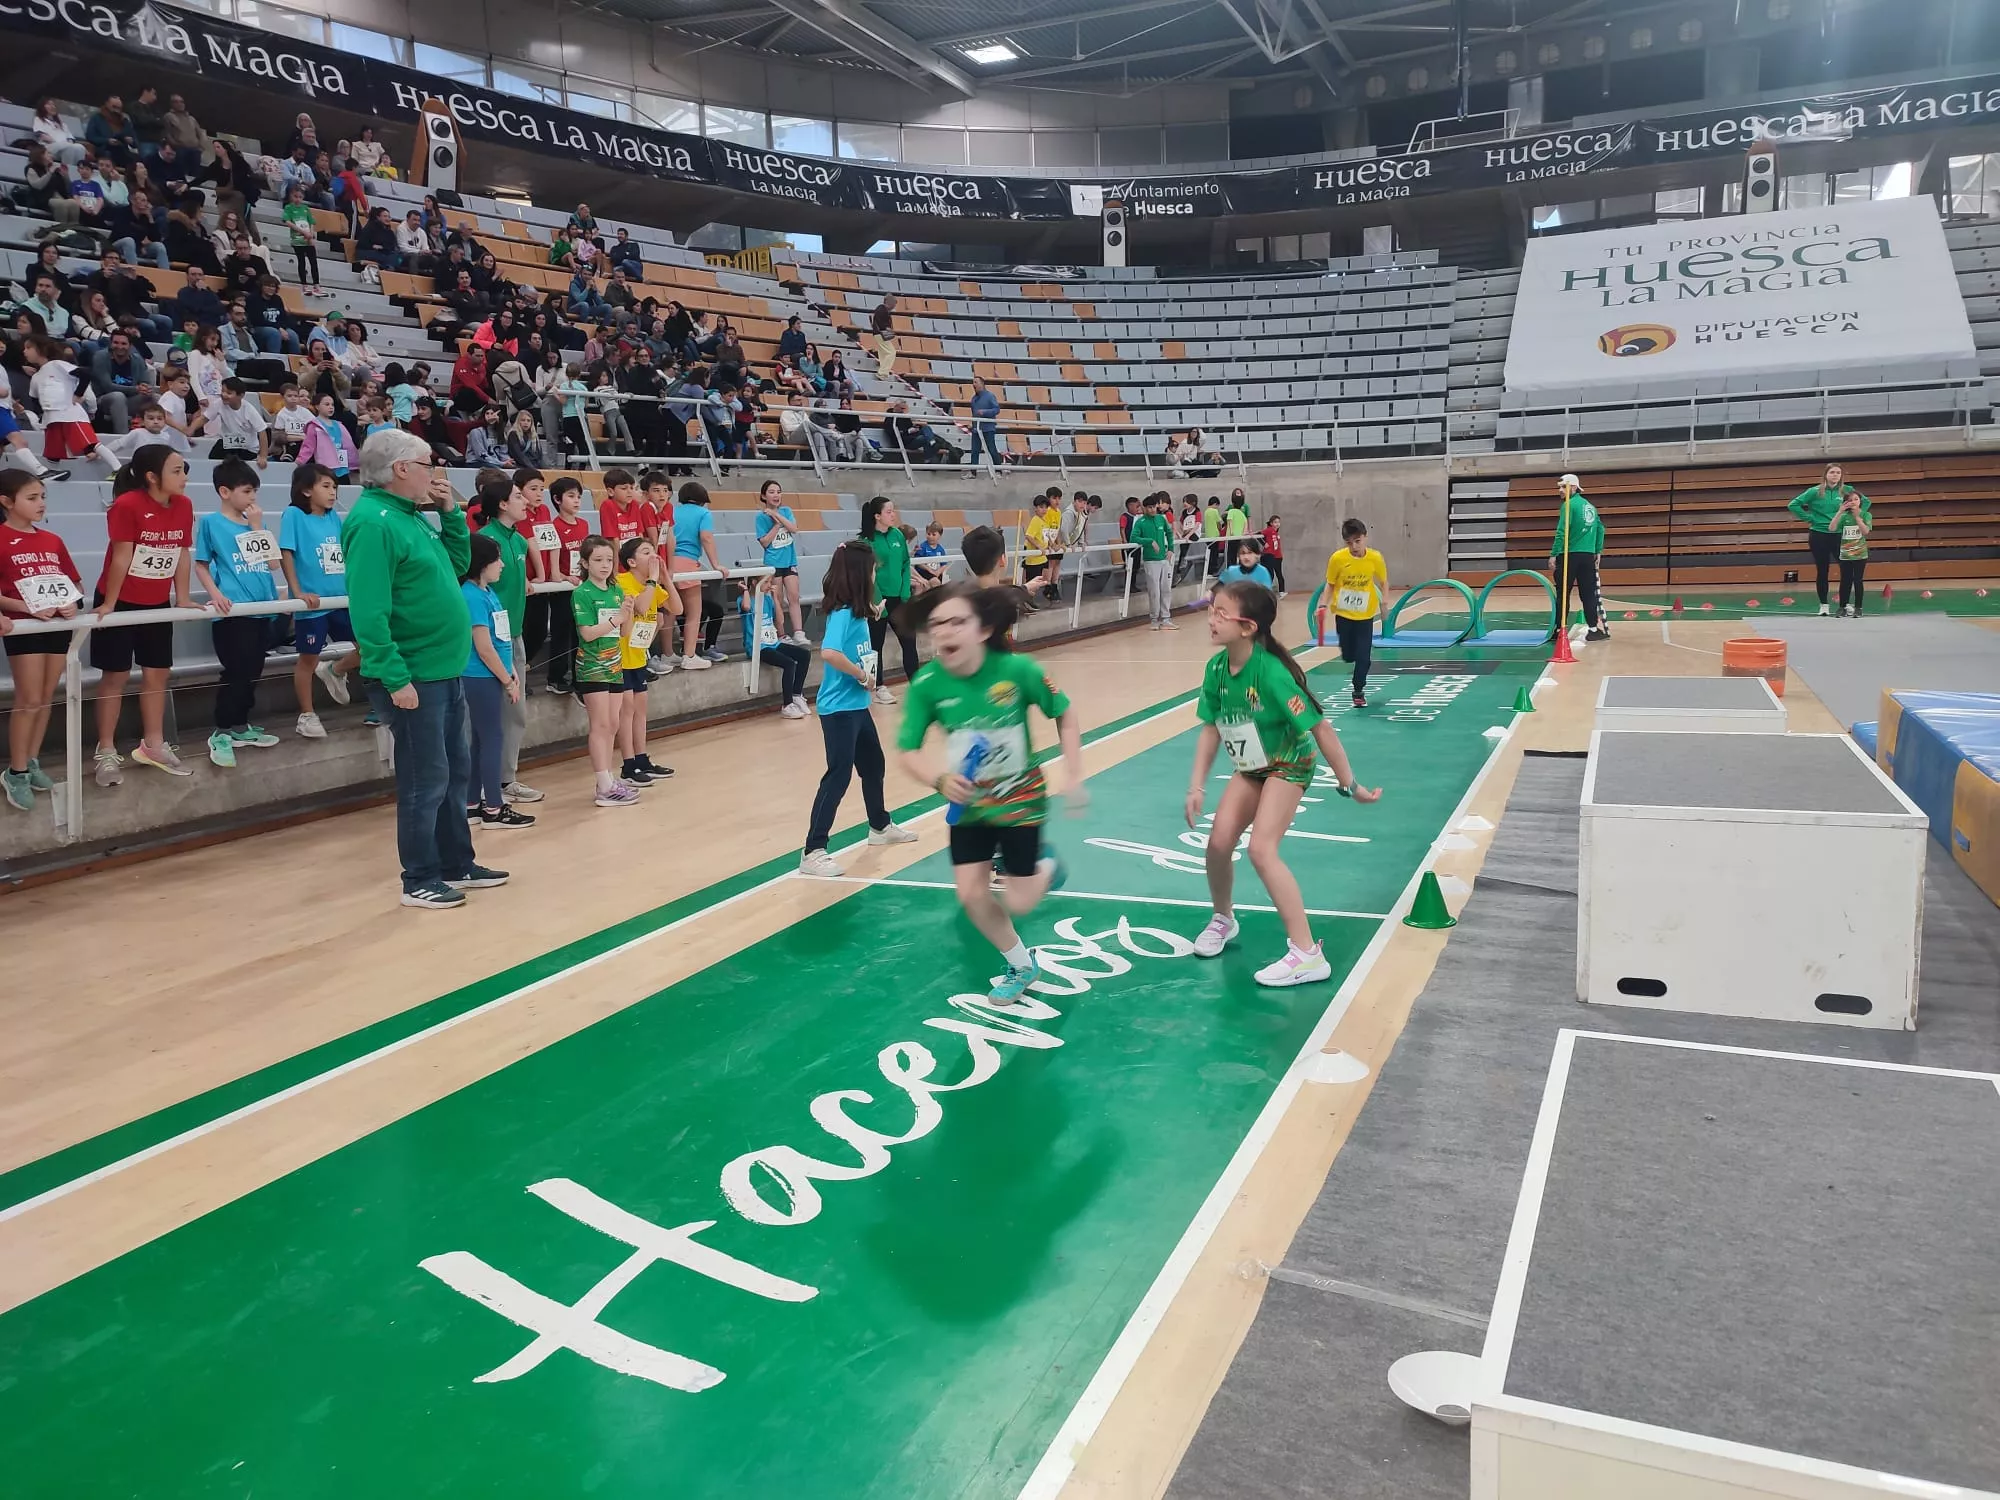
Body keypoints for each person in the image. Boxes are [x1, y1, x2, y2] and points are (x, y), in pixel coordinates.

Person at [895, 583, 1084, 1006]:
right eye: (937, 624)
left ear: (983, 630)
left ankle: (1046, 865)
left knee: (1020, 902)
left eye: (957, 622)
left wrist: (1073, 773)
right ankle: (1021, 964)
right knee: (970, 895)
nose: (945, 631)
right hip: (970, 805)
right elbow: (907, 750)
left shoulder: (1018, 671)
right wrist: (939, 779)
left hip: (1020, 802)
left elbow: (1065, 713)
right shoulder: (927, 684)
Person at [1186, 581, 1381, 987]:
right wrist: (1196, 786)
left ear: (1247, 627)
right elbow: (1211, 728)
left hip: (1289, 764)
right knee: (1218, 843)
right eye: (1211, 610)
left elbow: (1321, 728)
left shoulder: (1272, 674)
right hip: (1252, 766)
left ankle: (1308, 954)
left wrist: (1351, 785)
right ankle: (1223, 918)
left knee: (1261, 849)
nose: (1211, 619)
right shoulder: (1216, 670)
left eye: (1221, 613)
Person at [345, 429, 504, 907]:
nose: (435, 473)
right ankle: (419, 877)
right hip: (413, 674)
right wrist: (394, 677)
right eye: (427, 464)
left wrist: (451, 513)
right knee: (424, 779)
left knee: (454, 771)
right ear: (400, 469)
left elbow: (457, 563)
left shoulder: (412, 517)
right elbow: (368, 611)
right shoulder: (372, 523)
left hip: (444, 669)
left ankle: (456, 862)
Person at [798, 540, 917, 876]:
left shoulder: (856, 609)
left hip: (857, 706)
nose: (875, 573)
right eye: (873, 569)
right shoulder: (843, 614)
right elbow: (830, 652)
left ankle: (879, 826)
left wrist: (874, 612)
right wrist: (862, 675)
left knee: (873, 765)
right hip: (839, 709)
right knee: (838, 775)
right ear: (860, 573)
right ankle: (813, 851)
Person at [92, 444, 195, 783]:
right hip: (120, 600)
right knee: (115, 676)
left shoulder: (184, 505)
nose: (184, 477)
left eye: (184, 470)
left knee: (157, 674)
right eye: (176, 471)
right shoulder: (126, 505)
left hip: (156, 602)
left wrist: (182, 598)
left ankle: (153, 744)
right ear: (152, 477)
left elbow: (181, 553)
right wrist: (110, 603)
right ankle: (106, 750)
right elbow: (122, 556)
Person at [190, 458, 282, 767]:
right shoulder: (211, 523)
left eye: (254, 491)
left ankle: (241, 726)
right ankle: (222, 731)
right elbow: (201, 565)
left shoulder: (258, 525)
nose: (252, 498)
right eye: (247, 491)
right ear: (225, 492)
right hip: (233, 612)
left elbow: (273, 564)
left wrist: (256, 528)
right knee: (236, 671)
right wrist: (216, 595)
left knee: (254, 669)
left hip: (263, 608)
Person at [0, 473, 83, 810]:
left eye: (43, 497)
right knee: (29, 699)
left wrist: (71, 602)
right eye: (32, 498)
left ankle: (31, 761)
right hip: (25, 628)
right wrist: (26, 607)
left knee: (46, 697)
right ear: (7, 502)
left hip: (57, 626)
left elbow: (73, 583)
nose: (41, 504)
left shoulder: (52, 540)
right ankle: (16, 771)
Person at [472, 472, 541, 805]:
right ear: (501, 504)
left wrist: (523, 581)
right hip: (488, 642)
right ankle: (486, 785)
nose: (525, 501)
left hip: (514, 635)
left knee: (516, 713)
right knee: (490, 718)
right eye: (517, 496)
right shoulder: (485, 541)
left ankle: (505, 779)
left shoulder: (519, 541)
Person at [460, 531, 533, 831]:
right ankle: (493, 807)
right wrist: (507, 680)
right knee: (492, 739)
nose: (502, 565)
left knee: (482, 740)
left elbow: (500, 638)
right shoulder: (471, 595)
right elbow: (484, 647)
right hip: (480, 677)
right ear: (481, 563)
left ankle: (472, 804)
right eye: (497, 559)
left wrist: (511, 668)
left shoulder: (488, 591)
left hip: (494, 673)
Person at [278, 462, 354, 738]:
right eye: (326, 486)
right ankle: (307, 715)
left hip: (342, 599)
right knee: (308, 659)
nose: (333, 492)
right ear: (306, 490)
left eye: (335, 487)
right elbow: (286, 553)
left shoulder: (334, 518)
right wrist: (297, 591)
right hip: (313, 604)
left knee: (370, 647)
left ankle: (335, 670)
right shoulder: (294, 515)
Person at [571, 535, 638, 806]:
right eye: (598, 560)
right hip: (592, 667)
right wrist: (616, 618)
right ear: (585, 563)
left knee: (612, 723)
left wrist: (628, 613)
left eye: (609, 560)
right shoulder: (582, 593)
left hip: (614, 666)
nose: (605, 565)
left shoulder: (616, 591)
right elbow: (587, 634)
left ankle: (608, 778)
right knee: (599, 725)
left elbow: (624, 632)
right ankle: (603, 786)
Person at [613, 536, 675, 786]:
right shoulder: (622, 581)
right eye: (646, 552)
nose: (653, 556)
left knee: (640, 712)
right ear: (631, 561)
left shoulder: (653, 585)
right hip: (620, 657)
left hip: (638, 657)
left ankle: (642, 759)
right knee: (626, 712)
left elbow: (677, 608)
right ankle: (628, 765)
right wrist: (652, 580)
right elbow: (640, 607)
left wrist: (665, 578)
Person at [1788, 462, 1873, 618]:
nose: (1835, 475)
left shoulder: (1847, 490)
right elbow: (1793, 505)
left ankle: (1845, 604)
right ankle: (1824, 605)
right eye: (1832, 472)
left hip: (1840, 534)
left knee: (1846, 571)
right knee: (1822, 570)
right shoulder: (1814, 491)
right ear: (1826, 475)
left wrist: (1856, 515)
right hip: (1819, 533)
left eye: (1838, 473)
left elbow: (1866, 502)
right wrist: (1809, 518)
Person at [1323, 518, 1388, 708]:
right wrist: (1322, 605)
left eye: (1357, 541)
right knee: (1348, 655)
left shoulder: (1375, 558)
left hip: (1365, 615)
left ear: (1365, 537)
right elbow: (1330, 584)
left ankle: (1358, 690)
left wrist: (1384, 601)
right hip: (1343, 615)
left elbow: (1384, 581)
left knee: (1363, 658)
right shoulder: (1337, 559)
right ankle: (1349, 654)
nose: (1354, 547)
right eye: (1349, 543)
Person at [861, 496, 918, 703]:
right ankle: (879, 687)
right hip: (877, 602)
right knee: (876, 644)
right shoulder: (866, 541)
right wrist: (878, 603)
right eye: (889, 511)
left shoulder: (897, 535)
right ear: (877, 516)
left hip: (899, 599)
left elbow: (905, 563)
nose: (893, 515)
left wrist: (905, 593)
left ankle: (917, 684)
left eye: (893, 511)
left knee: (909, 641)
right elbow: (868, 575)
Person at [22, 338, 106, 468]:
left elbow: (85, 374)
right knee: (53, 453)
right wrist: (43, 413)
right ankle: (53, 472)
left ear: (40, 350)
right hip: (52, 418)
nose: (24, 352)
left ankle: (117, 468)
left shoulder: (58, 365)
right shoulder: (36, 377)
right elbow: (34, 399)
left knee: (91, 444)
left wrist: (78, 394)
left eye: (28, 348)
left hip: (69, 414)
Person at [668, 481, 724, 670]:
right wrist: (716, 564)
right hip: (688, 562)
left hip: (667, 563)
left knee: (669, 611)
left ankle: (667, 654)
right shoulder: (703, 513)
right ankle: (689, 655)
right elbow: (706, 537)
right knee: (694, 612)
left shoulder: (672, 511)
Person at [1549, 472, 1607, 643]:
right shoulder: (1590, 506)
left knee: (1563, 594)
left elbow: (1562, 531)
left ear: (1573, 487)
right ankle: (1593, 630)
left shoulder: (1568, 505)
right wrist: (1597, 550)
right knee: (1588, 593)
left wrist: (1553, 554)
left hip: (1569, 555)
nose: (1560, 490)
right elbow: (1601, 529)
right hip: (1587, 556)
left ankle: (1559, 630)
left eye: (1563, 487)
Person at [742, 576, 811, 716]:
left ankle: (797, 694)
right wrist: (745, 590)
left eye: (770, 582)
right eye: (766, 582)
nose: (770, 585)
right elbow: (746, 607)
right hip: (758, 647)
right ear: (755, 583)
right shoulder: (745, 599)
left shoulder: (768, 600)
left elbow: (780, 620)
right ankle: (787, 704)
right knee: (789, 663)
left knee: (804, 655)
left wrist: (775, 598)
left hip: (773, 643)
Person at [754, 479, 807, 643]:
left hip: (790, 561)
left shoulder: (786, 511)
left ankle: (799, 632)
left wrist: (776, 515)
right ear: (764, 496)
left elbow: (794, 529)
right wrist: (776, 526)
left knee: (794, 597)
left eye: (778, 492)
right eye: (771, 492)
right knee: (777, 599)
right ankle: (781, 634)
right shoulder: (760, 517)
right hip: (773, 563)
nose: (776, 495)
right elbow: (764, 542)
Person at [1131, 492, 1177, 630]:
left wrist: (1171, 549)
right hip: (1151, 561)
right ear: (1145, 508)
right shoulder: (1140, 522)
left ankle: (1166, 618)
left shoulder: (1161, 519)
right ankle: (1154, 619)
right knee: (1154, 591)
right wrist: (1149, 541)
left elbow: (1169, 533)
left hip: (1164, 559)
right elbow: (1133, 538)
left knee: (1166, 589)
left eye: (1154, 507)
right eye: (1149, 507)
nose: (1152, 510)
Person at [913, 522, 948, 592]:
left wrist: (938, 572)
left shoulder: (941, 549)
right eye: (928, 534)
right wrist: (929, 570)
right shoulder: (922, 547)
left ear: (940, 535)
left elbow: (944, 564)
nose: (930, 537)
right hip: (924, 572)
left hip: (936, 573)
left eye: (934, 534)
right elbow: (918, 562)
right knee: (935, 582)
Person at [870, 293, 899, 379]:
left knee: (883, 354)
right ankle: (882, 372)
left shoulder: (882, 309)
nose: (894, 306)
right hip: (880, 334)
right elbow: (881, 322)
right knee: (891, 352)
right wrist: (887, 328)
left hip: (878, 334)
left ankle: (882, 373)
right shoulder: (882, 309)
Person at [1260, 514, 1286, 596]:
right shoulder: (1269, 530)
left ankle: (1281, 591)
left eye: (1278, 522)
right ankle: (1266, 591)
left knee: (1279, 574)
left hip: (1278, 556)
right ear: (1271, 523)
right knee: (1270, 574)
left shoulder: (1276, 532)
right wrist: (1264, 543)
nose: (1277, 524)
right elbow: (1259, 535)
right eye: (1275, 522)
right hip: (1270, 555)